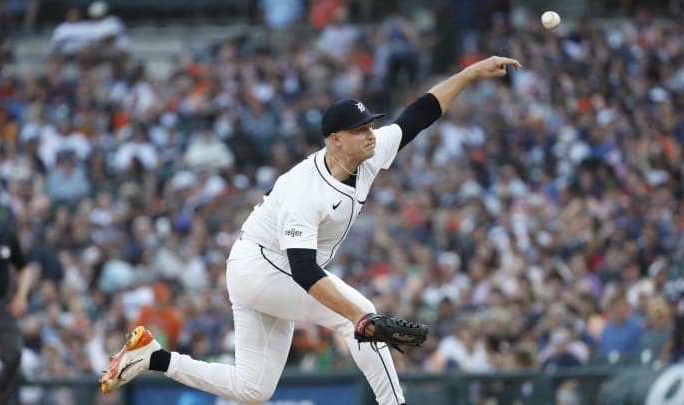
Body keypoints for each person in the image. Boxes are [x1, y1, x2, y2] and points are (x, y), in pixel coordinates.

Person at [100, 55, 522, 405]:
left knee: (254, 389)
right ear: (335, 139)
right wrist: (360, 317)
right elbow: (304, 271)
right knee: (357, 315)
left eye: (370, 125)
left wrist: (467, 75)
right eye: (360, 130)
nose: (371, 134)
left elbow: (419, 115)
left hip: (267, 269)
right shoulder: (305, 189)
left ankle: (153, 359)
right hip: (262, 266)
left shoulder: (369, 154)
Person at [0, 188, 36, 405]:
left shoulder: (6, 235)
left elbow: (24, 268)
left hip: (0, 304)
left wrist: (22, 295)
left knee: (14, 354)